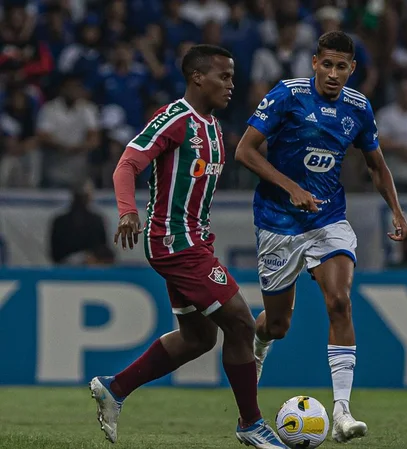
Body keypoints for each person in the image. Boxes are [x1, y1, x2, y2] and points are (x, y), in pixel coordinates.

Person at [90, 44, 287, 449]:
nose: (232, 85)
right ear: (198, 77)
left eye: (233, 77)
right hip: (175, 242)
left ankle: (116, 388)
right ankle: (251, 423)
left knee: (199, 338)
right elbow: (127, 163)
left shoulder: (213, 127)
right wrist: (128, 211)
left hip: (196, 242)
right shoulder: (174, 119)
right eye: (224, 76)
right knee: (242, 323)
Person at [235, 31, 407, 443]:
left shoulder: (358, 107)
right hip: (278, 221)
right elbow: (245, 150)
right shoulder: (286, 96)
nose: (333, 74)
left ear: (353, 69)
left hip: (328, 218)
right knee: (278, 325)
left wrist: (398, 210)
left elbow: (377, 164)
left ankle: (342, 414)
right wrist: (290, 187)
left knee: (339, 301)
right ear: (314, 63)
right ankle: (259, 346)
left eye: (342, 67)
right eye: (327, 64)